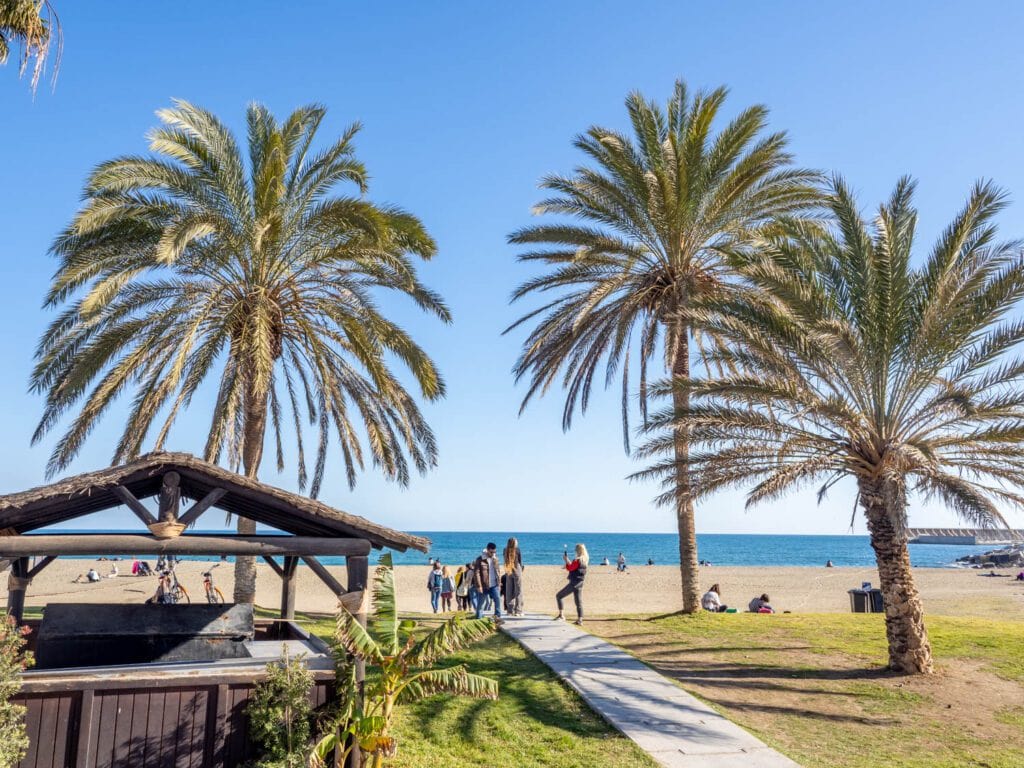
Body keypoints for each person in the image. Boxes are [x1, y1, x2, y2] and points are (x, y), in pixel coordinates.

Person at [554, 543, 588, 625]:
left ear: (578, 550)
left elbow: (570, 568)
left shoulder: (577, 560)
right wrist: (567, 561)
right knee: (578, 602)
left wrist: (565, 560)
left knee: (559, 596)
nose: (575, 551)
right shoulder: (585, 560)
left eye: (576, 550)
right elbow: (572, 567)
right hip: (580, 583)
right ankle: (580, 620)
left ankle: (561, 615)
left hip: (574, 583)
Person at [473, 543, 503, 620]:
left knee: (498, 600)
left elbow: (498, 571)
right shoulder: (480, 559)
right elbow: (476, 573)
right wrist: (479, 586)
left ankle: (497, 616)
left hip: (494, 585)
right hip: (484, 585)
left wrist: (499, 583)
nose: (493, 554)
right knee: (481, 604)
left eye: (494, 552)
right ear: (487, 550)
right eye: (491, 552)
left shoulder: (495, 559)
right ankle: (478, 618)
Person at [502, 537, 525, 616]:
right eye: (516, 541)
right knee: (518, 591)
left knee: (509, 590)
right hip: (516, 569)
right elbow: (520, 561)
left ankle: (509, 610)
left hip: (508, 570)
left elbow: (504, 560)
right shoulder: (517, 550)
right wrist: (521, 568)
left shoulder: (505, 550)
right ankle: (518, 610)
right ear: (514, 543)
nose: (517, 543)